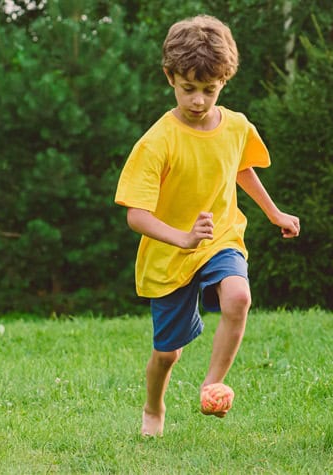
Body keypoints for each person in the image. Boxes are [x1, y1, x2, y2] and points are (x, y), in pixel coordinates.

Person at [114, 14, 300, 437]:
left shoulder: (235, 125)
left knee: (238, 297)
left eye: (209, 90)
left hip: (220, 236)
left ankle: (213, 383)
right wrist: (181, 237)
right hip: (168, 252)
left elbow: (243, 167)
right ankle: (153, 407)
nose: (198, 100)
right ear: (169, 78)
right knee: (167, 354)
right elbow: (135, 215)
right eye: (189, 89)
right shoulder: (156, 141)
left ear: (225, 81)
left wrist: (275, 214)